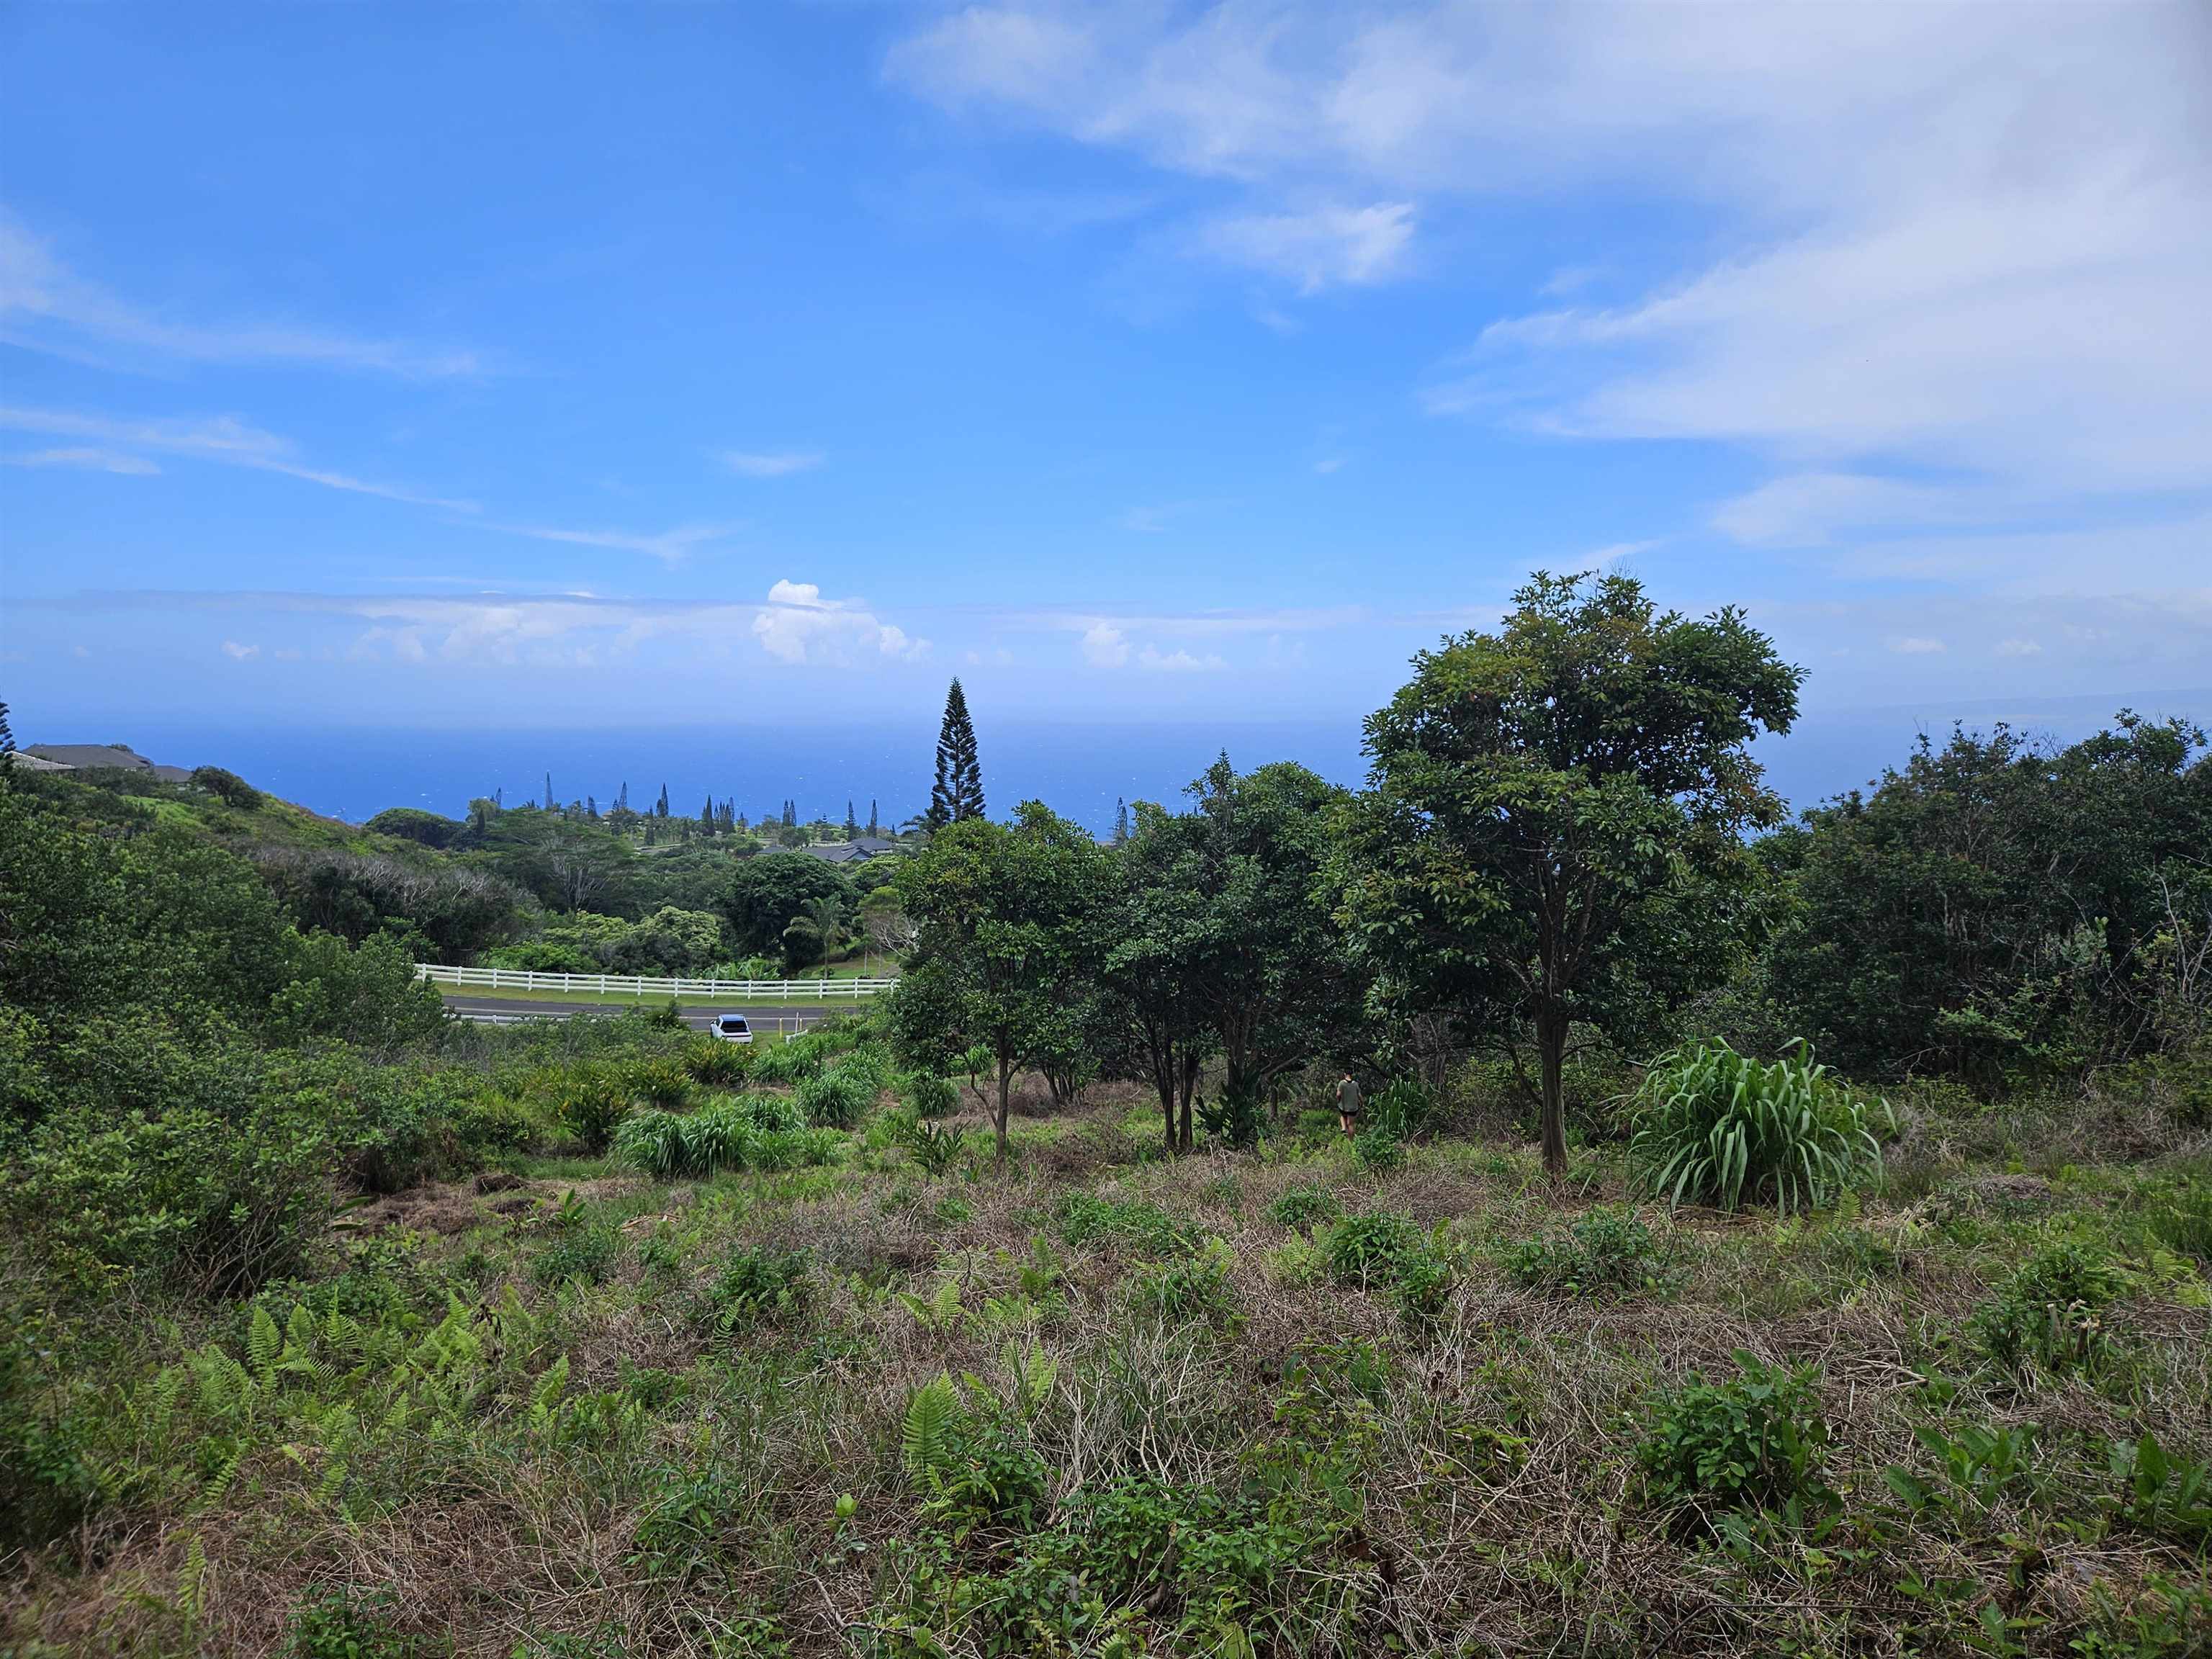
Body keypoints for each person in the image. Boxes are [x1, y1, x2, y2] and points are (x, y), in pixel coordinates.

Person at [1335, 1072, 1362, 1138]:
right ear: (1351, 1074)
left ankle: (1343, 1128)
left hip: (1343, 1107)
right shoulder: (1355, 1084)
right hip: (1353, 1108)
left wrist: (1338, 1100)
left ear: (1345, 1074)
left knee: (1343, 1116)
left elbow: (1338, 1094)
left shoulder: (1342, 1083)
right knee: (1351, 1124)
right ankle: (1351, 1141)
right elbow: (1359, 1095)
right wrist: (1362, 1103)